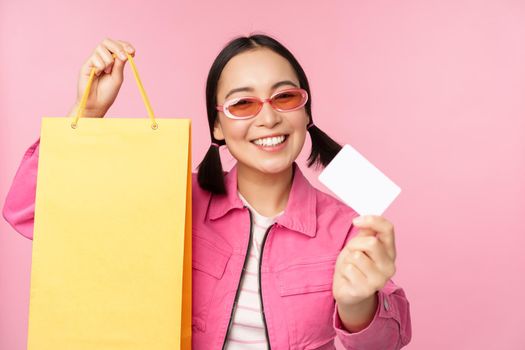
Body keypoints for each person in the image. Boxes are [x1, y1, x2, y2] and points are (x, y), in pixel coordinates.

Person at [2, 34, 412, 349]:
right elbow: (30, 212)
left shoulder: (348, 227)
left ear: (305, 112)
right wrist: (87, 116)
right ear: (217, 126)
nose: (268, 117)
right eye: (242, 104)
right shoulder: (171, 200)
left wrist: (359, 306)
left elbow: (389, 341)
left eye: (284, 97)